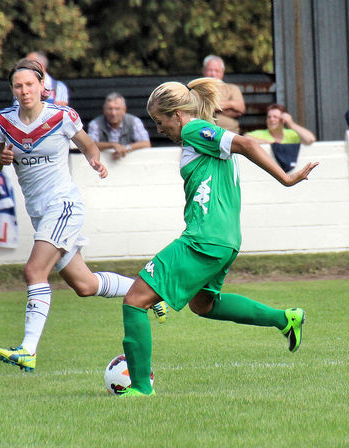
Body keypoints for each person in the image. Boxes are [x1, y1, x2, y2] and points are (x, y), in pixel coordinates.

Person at [119, 77, 318, 397]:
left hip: (203, 239)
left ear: (178, 116)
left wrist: (286, 179)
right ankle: (285, 319)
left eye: (160, 121)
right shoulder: (200, 136)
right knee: (204, 304)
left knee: (134, 302)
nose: (159, 129)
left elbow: (248, 143)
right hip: (226, 240)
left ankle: (141, 387)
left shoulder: (192, 130)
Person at [0, 58, 166, 373]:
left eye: (30, 84)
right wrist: (0, 158)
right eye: (18, 86)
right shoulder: (3, 121)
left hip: (64, 205)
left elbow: (89, 146)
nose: (25, 91)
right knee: (84, 285)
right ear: (12, 90)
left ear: (42, 87)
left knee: (33, 271)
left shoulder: (62, 116)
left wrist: (95, 160)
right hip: (40, 213)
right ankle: (151, 290)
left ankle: (28, 349)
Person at [87, 92, 151, 160]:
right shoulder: (95, 124)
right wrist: (113, 145)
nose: (113, 113)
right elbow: (89, 145)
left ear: (124, 109)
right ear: (104, 110)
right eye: (110, 109)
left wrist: (126, 148)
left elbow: (146, 143)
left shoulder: (134, 121)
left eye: (117, 109)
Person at [202, 55, 245, 133]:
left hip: (230, 132)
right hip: (203, 134)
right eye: (210, 70)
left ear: (222, 72)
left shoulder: (232, 88)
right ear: (203, 71)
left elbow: (240, 109)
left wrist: (212, 109)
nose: (213, 74)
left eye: (217, 71)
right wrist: (230, 105)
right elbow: (198, 109)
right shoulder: (196, 89)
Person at [246, 104, 316, 145]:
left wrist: (291, 124)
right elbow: (245, 138)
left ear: (283, 119)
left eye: (275, 117)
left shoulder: (291, 134)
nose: (271, 119)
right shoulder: (261, 134)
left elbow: (310, 139)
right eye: (269, 117)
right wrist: (265, 142)